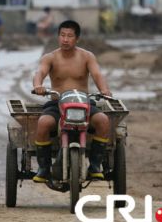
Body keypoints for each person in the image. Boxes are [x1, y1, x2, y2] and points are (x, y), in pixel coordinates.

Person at [32, 20, 112, 182]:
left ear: (77, 39)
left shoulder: (87, 56)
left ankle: (95, 165)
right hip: (57, 103)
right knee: (43, 123)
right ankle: (44, 168)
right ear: (58, 37)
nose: (65, 39)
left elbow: (97, 75)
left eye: (69, 36)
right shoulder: (50, 57)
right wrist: (38, 85)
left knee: (103, 121)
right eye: (62, 35)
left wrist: (104, 90)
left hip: (84, 103)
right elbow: (39, 72)